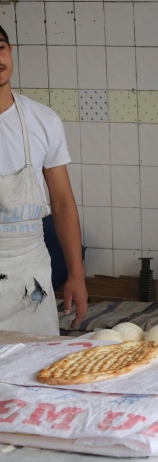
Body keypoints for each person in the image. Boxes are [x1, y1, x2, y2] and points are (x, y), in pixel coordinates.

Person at [0, 25, 87, 334]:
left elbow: (62, 202)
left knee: (35, 369)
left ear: (10, 53)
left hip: (30, 270)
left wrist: (76, 274)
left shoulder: (43, 120)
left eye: (1, 48)